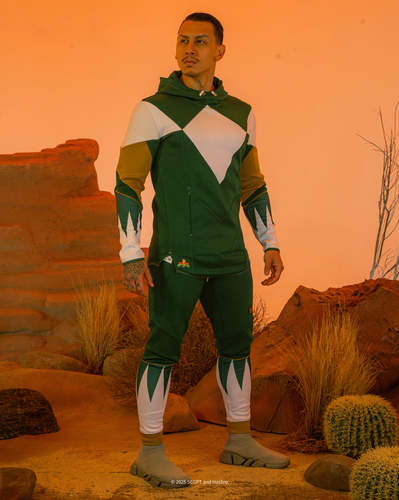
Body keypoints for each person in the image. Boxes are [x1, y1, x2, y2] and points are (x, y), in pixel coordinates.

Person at [114, 12, 289, 489]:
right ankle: (149, 453)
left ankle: (240, 442)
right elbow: (127, 184)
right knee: (161, 350)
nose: (189, 49)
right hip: (176, 257)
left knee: (237, 348)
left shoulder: (242, 112)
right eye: (182, 41)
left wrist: (269, 242)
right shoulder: (152, 109)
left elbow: (253, 186)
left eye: (200, 41)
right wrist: (131, 252)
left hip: (231, 256)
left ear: (220, 51)